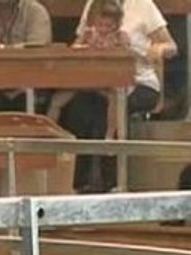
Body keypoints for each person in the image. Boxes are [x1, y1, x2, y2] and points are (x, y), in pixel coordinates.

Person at [51, 0, 177, 192]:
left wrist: (156, 50)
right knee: (78, 109)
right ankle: (77, 182)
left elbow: (170, 46)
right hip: (96, 79)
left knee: (111, 106)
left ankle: (113, 182)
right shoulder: (92, 4)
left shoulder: (143, 5)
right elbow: (79, 43)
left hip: (139, 81)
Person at [48, 0, 128, 143]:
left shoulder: (120, 36)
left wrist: (114, 47)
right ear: (93, 22)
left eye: (108, 26)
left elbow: (127, 53)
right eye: (100, 25)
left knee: (114, 98)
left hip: (105, 81)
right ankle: (51, 134)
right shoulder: (87, 34)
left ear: (117, 24)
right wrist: (82, 45)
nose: (103, 29)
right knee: (56, 101)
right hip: (84, 79)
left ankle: (110, 135)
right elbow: (73, 50)